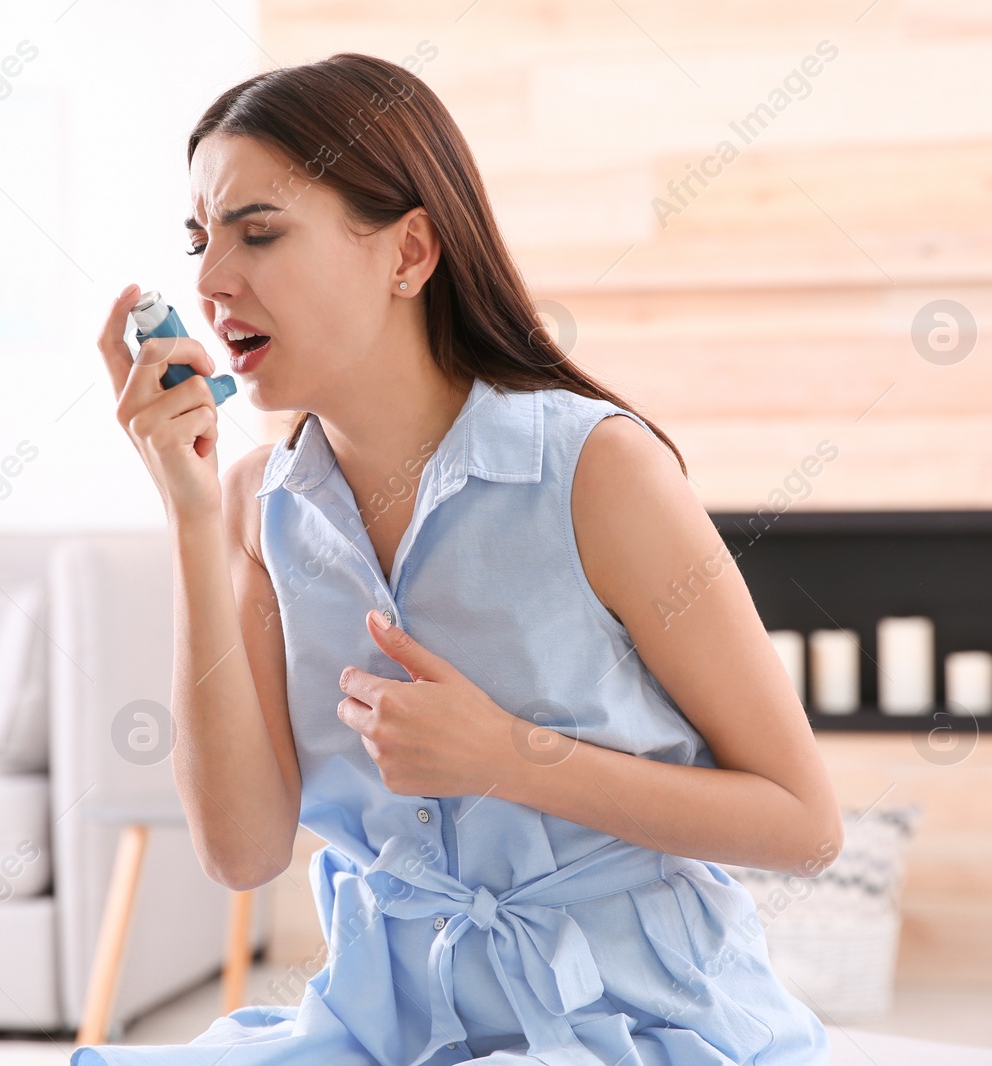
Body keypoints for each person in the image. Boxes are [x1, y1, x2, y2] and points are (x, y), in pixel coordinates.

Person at [87, 51, 840, 1066]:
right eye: (200, 240)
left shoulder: (595, 469)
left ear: (409, 252)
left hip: (626, 1020)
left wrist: (507, 757)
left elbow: (802, 824)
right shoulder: (251, 504)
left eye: (258, 232)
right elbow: (242, 852)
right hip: (385, 1026)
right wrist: (184, 508)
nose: (213, 280)